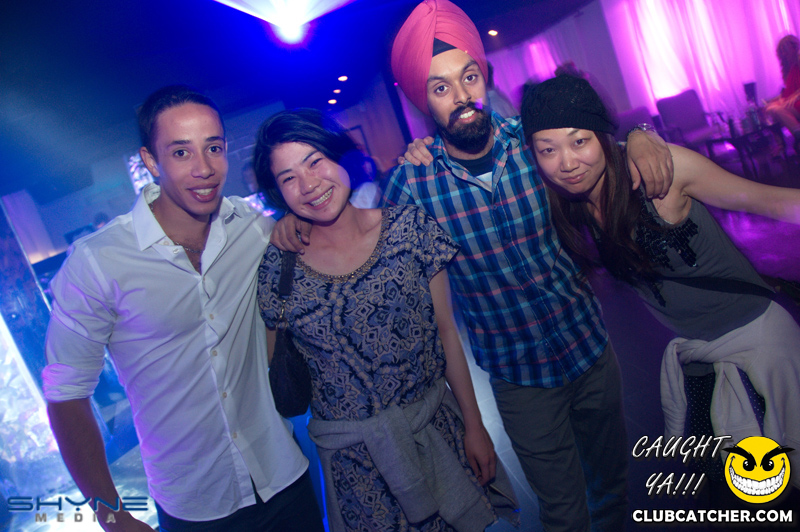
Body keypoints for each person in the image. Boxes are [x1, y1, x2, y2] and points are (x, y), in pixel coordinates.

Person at [270, 1, 676, 530]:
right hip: (519, 377)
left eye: (468, 77)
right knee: (563, 513)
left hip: (590, 348)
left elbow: (597, 148)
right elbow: (362, 239)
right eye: (440, 88)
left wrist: (641, 134)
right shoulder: (413, 185)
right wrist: (292, 218)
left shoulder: (534, 143)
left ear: (484, 77)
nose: (461, 96)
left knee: (613, 489)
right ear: (424, 102)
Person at [42, 85, 324, 532]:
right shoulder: (98, 261)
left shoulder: (251, 229)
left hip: (285, 477)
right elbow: (66, 396)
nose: (204, 168)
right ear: (150, 161)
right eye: (180, 152)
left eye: (214, 148)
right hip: (194, 506)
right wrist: (110, 514)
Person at [521, 73, 800, 490]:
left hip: (761, 342)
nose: (566, 162)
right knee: (729, 488)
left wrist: (640, 132)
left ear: (602, 136)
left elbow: (773, 201)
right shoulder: (570, 203)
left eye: (579, 141)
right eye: (548, 150)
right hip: (698, 356)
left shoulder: (664, 171)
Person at [253, 108, 518, 532]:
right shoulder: (279, 267)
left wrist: (475, 425)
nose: (309, 184)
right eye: (288, 178)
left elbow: (447, 332)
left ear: (339, 155)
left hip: (436, 434)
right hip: (356, 466)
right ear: (278, 193)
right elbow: (278, 364)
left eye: (315, 161)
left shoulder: (409, 228)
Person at [765, 35, 800, 152]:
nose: (784, 54)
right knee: (770, 108)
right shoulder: (789, 68)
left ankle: (786, 142)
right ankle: (782, 143)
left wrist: (796, 95)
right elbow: (789, 92)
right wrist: (776, 99)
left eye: (785, 50)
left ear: (794, 48)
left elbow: (794, 92)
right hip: (794, 101)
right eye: (782, 51)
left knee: (776, 110)